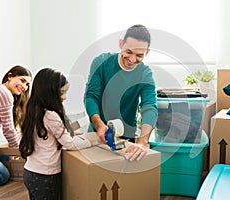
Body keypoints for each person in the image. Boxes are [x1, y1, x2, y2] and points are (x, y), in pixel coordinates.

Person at [19, 68, 98, 200]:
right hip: (45, 175)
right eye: (61, 93)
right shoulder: (51, 115)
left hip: (30, 172)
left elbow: (52, 133)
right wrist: (93, 142)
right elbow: (70, 144)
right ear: (49, 93)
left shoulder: (34, 110)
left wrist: (70, 132)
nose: (64, 97)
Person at [84, 24, 157, 161]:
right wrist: (99, 124)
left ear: (146, 53)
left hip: (126, 138)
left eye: (139, 55)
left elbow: (149, 106)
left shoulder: (145, 74)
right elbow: (91, 96)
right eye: (128, 52)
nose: (132, 59)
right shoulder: (101, 62)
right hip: (97, 133)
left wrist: (143, 141)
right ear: (120, 44)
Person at [0, 65, 32, 186]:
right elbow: (8, 130)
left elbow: (11, 129)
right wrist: (21, 152)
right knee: (1, 176)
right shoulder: (4, 93)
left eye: (27, 85)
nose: (24, 87)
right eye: (22, 80)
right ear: (10, 76)